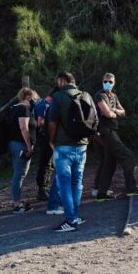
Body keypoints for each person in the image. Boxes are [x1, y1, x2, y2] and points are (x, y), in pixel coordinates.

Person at [93, 73, 138, 201]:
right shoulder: (99, 95)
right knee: (128, 156)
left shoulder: (114, 96)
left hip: (113, 131)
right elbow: (106, 114)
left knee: (109, 163)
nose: (108, 83)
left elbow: (122, 111)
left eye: (110, 82)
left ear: (114, 83)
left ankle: (102, 194)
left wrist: (114, 111)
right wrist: (113, 112)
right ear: (102, 81)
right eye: (106, 81)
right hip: (106, 132)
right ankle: (131, 189)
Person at [48, 72, 91, 232]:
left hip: (63, 145)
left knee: (63, 183)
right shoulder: (84, 95)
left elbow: (52, 122)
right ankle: (76, 216)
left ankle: (70, 219)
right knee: (77, 182)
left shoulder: (58, 97)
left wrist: (51, 141)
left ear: (62, 81)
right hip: (82, 145)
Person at [7, 87, 39, 213]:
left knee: (18, 173)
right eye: (35, 99)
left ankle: (17, 201)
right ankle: (16, 204)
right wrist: (29, 146)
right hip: (20, 145)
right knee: (20, 174)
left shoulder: (13, 108)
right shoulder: (23, 108)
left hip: (13, 144)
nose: (36, 102)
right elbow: (23, 128)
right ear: (28, 97)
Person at [34, 91, 55, 202]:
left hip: (46, 137)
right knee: (46, 163)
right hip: (45, 137)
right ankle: (42, 190)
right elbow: (40, 122)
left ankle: (44, 188)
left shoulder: (43, 104)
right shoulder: (44, 105)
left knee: (48, 163)